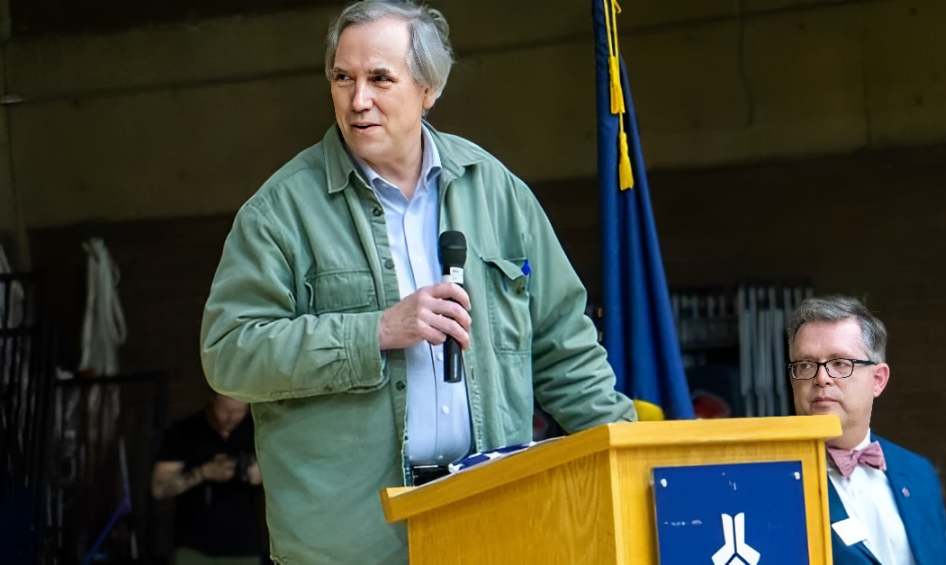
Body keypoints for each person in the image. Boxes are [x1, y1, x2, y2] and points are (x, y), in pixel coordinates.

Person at [199, 2, 636, 563]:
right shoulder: (279, 211)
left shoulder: (496, 191)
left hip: (491, 524)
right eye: (343, 79)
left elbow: (563, 350)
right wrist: (376, 331)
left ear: (429, 88)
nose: (359, 100)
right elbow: (228, 353)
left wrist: (638, 453)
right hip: (350, 545)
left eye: (380, 79)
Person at [786, 296, 946, 565]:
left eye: (840, 363)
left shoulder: (918, 472)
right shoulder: (773, 478)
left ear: (878, 380)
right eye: (805, 365)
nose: (821, 378)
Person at [151, 393, 263, 565]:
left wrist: (263, 474)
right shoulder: (184, 430)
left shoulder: (257, 431)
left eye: (238, 412)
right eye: (225, 411)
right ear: (212, 401)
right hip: (193, 546)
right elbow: (159, 488)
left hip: (244, 546)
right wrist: (203, 473)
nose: (231, 418)